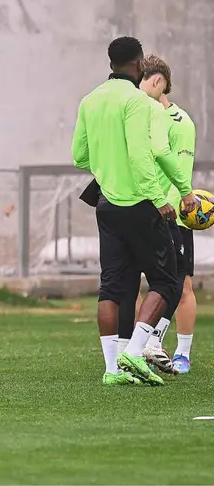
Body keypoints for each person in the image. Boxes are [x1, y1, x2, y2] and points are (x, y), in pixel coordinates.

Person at [71, 36, 196, 387]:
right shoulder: (137, 102)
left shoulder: (90, 100)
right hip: (139, 204)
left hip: (106, 205)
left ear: (110, 63)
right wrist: (162, 199)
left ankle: (113, 369)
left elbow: (79, 156)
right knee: (166, 281)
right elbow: (143, 157)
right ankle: (135, 350)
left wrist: (108, 165)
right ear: (139, 65)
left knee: (112, 288)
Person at [136, 54, 197, 375]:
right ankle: (139, 347)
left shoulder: (180, 122)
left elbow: (180, 168)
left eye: (141, 83)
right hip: (139, 210)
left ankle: (181, 352)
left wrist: (181, 200)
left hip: (170, 213)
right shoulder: (137, 116)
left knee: (181, 284)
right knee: (137, 285)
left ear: (157, 82)